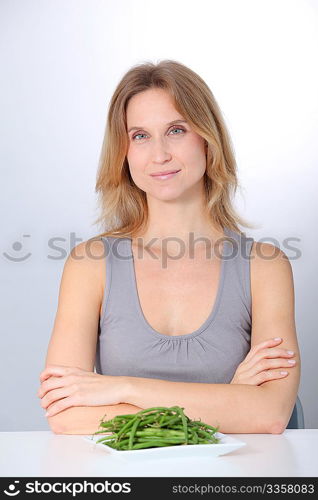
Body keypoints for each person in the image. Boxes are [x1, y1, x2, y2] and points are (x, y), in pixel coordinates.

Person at [37, 60, 300, 435]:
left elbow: (270, 414)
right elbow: (65, 415)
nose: (158, 155)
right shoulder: (89, 264)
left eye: (176, 130)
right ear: (123, 153)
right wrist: (228, 400)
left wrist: (123, 388)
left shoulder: (264, 266)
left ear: (208, 140)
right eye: (140, 136)